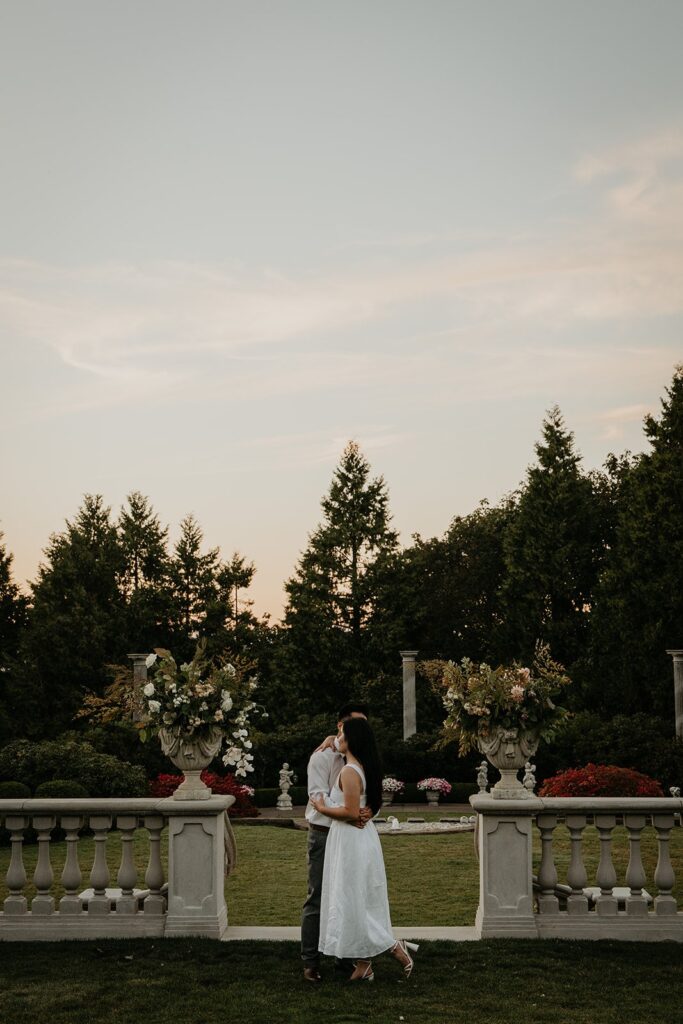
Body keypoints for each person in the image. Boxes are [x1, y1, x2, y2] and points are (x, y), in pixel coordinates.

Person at [311, 716, 418, 982]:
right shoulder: (363, 767)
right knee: (356, 898)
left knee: (352, 898)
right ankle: (363, 965)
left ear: (352, 740)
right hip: (358, 838)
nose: (338, 737)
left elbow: (349, 812)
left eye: (342, 733)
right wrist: (328, 740)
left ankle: (395, 947)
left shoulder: (349, 771)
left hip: (350, 840)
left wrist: (321, 807)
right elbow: (356, 809)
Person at [301, 702, 372, 982]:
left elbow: (372, 790)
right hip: (323, 833)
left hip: (351, 834)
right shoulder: (321, 758)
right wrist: (348, 815)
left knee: (347, 898)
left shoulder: (364, 756)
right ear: (340, 726)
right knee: (317, 897)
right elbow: (317, 798)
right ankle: (310, 962)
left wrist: (368, 811)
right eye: (357, 724)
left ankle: (345, 960)